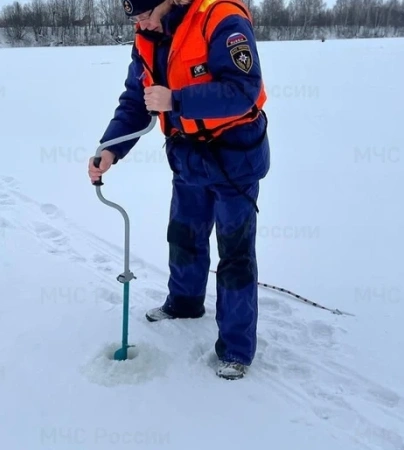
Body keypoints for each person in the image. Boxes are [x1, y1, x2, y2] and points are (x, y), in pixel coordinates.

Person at [88, 0, 270, 380]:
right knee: (184, 235)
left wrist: (177, 100)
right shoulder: (147, 39)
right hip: (187, 156)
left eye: (144, 14)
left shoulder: (221, 19)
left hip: (234, 157)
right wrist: (110, 148)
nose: (140, 22)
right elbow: (135, 102)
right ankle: (185, 303)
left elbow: (244, 89)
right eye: (134, 17)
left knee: (235, 254)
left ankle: (236, 348)